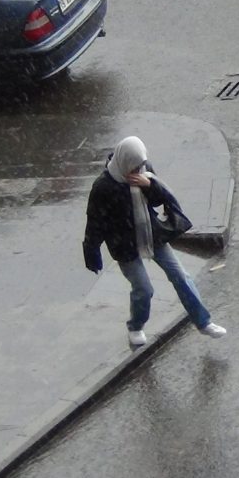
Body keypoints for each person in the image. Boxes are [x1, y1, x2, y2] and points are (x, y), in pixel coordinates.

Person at [83, 136, 226, 347]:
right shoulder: (104, 187)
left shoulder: (144, 171)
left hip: (152, 235)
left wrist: (149, 184)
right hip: (124, 246)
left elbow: (161, 200)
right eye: (133, 167)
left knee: (181, 276)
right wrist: (91, 250)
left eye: (140, 166)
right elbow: (95, 222)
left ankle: (204, 322)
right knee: (143, 288)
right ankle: (136, 326)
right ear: (123, 162)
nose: (137, 171)